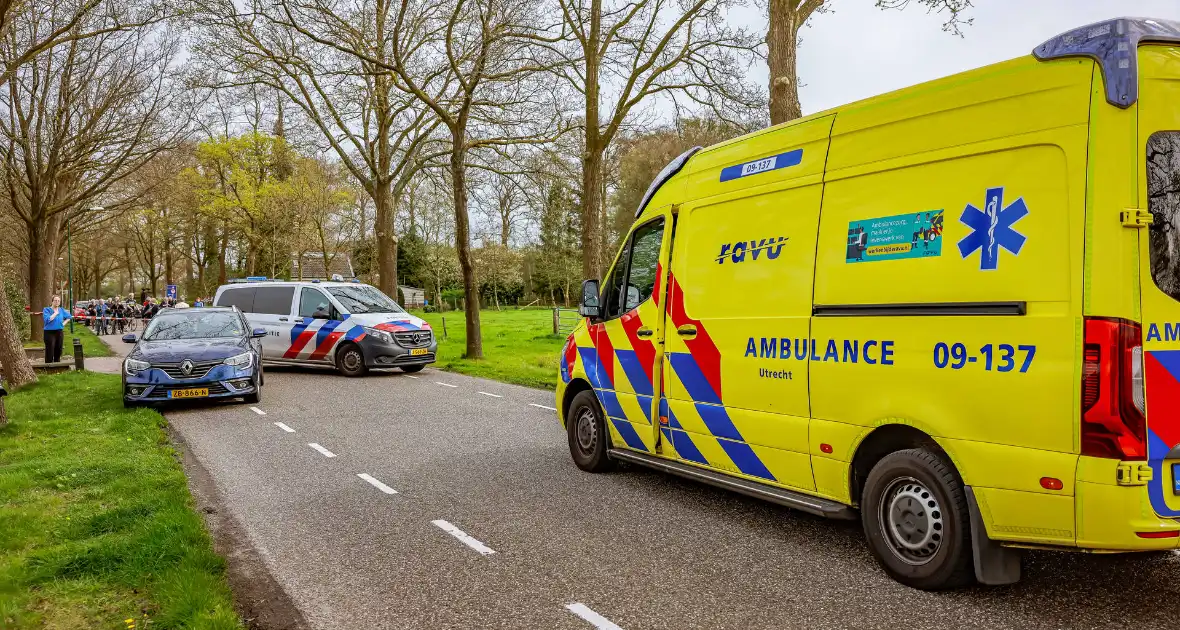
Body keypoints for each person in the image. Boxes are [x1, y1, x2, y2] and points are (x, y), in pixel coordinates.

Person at [42, 295, 71, 363]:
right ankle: (49, 365)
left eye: (58, 301)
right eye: (55, 300)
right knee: (50, 348)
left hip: (59, 331)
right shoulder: (47, 310)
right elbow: (47, 319)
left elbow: (69, 317)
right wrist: (55, 313)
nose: (57, 302)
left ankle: (57, 364)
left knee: (59, 348)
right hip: (49, 332)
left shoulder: (61, 310)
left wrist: (63, 324)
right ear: (52, 301)